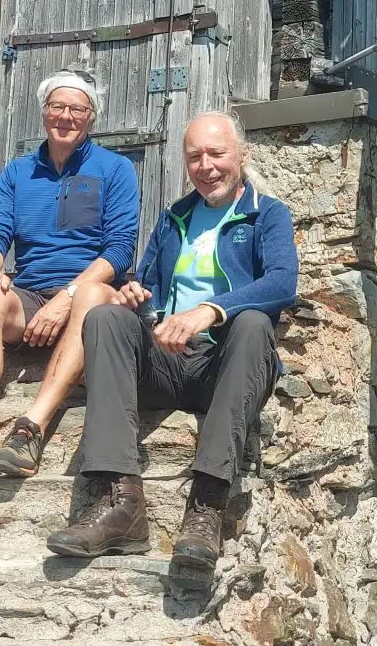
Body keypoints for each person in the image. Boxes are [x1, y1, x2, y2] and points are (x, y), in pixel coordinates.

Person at [46, 111, 298, 579]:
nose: (206, 166)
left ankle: (207, 506)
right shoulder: (174, 217)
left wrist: (212, 310)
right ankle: (122, 503)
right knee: (105, 317)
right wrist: (135, 298)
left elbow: (283, 282)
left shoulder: (267, 214)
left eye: (217, 153)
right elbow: (148, 288)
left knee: (252, 324)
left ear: (241, 154)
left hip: (226, 366)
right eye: (195, 156)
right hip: (167, 361)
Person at [0, 70, 139, 479]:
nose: (66, 116)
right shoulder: (17, 173)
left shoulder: (115, 168)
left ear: (91, 117)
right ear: (44, 112)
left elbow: (119, 250)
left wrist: (68, 296)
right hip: (30, 293)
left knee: (91, 295)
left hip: (88, 293)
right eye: (57, 107)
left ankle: (31, 426)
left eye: (77, 109)